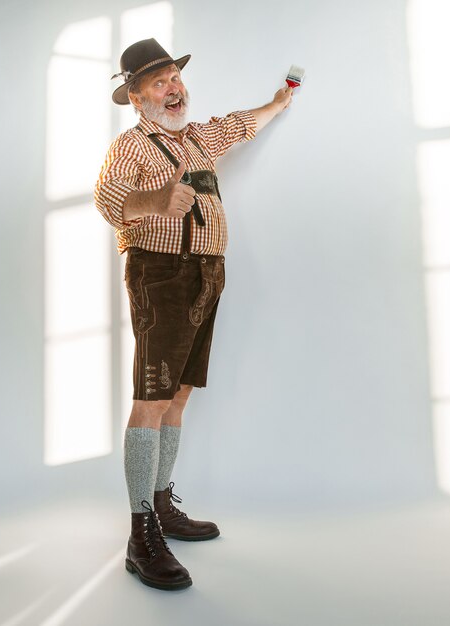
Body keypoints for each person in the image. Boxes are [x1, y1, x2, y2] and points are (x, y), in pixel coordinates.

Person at [94, 38, 292, 591]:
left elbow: (235, 125)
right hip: (160, 273)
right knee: (151, 400)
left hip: (207, 273)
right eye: (158, 84)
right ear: (136, 98)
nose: (173, 89)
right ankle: (140, 535)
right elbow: (107, 198)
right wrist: (155, 201)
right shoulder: (133, 145)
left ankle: (162, 507)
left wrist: (275, 104)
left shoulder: (198, 138)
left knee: (178, 395)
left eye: (174, 79)